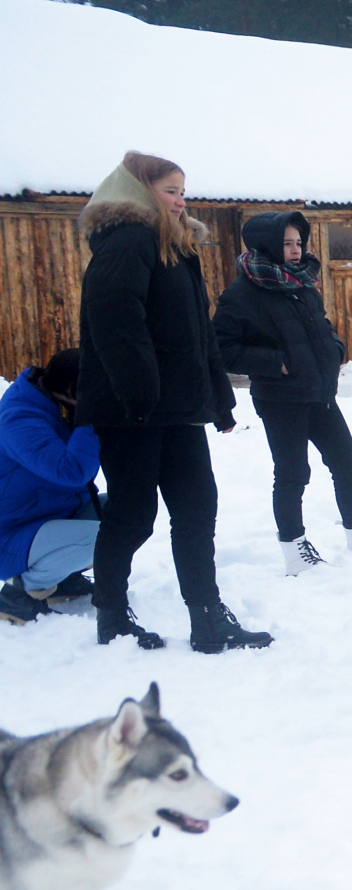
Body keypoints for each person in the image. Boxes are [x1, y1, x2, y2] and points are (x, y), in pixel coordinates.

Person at [74, 151, 272, 652]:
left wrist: (219, 398)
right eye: (170, 191)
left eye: (183, 191)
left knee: (197, 508)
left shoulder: (176, 248)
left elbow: (198, 333)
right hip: (133, 409)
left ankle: (207, 618)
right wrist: (138, 391)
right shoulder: (128, 241)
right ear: (139, 192)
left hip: (179, 407)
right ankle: (111, 615)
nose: (181, 201)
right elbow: (114, 318)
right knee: (132, 513)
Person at [212, 210, 352, 573]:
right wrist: (277, 363)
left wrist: (334, 347)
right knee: (293, 474)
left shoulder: (301, 282)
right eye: (287, 243)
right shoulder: (242, 293)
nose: (294, 250)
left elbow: (320, 325)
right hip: (280, 399)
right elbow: (222, 349)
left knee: (348, 464)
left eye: (298, 243)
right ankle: (294, 548)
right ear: (267, 245)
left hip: (319, 393)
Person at [0, 351, 101, 626]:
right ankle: (17, 592)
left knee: (130, 511)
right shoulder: (20, 420)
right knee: (107, 537)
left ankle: (62, 578)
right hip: (11, 532)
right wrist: (91, 417)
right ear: (70, 391)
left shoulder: (57, 401)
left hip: (47, 512)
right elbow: (71, 471)